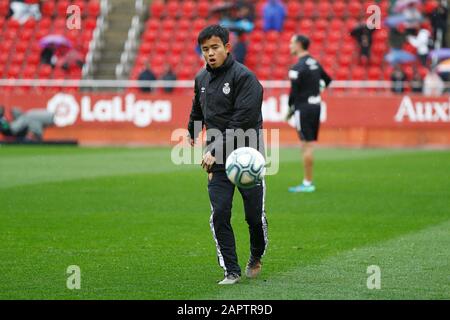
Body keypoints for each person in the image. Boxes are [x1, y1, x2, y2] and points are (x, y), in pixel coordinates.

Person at [187, 25, 268, 285]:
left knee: (253, 217)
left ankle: (256, 255)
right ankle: (231, 270)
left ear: (227, 47)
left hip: (247, 157)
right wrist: (192, 132)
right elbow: (197, 111)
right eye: (205, 49)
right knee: (220, 213)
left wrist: (215, 149)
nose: (210, 54)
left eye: (214, 48)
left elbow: (241, 121)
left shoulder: (246, 78)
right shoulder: (201, 79)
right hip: (218, 161)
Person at [285, 35, 332, 193]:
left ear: (298, 45)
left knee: (306, 146)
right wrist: (317, 91)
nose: (290, 46)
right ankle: (307, 181)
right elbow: (328, 80)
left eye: (291, 43)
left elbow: (294, 93)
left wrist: (290, 109)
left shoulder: (297, 68)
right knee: (309, 144)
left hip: (303, 108)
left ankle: (307, 183)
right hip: (316, 106)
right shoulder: (314, 63)